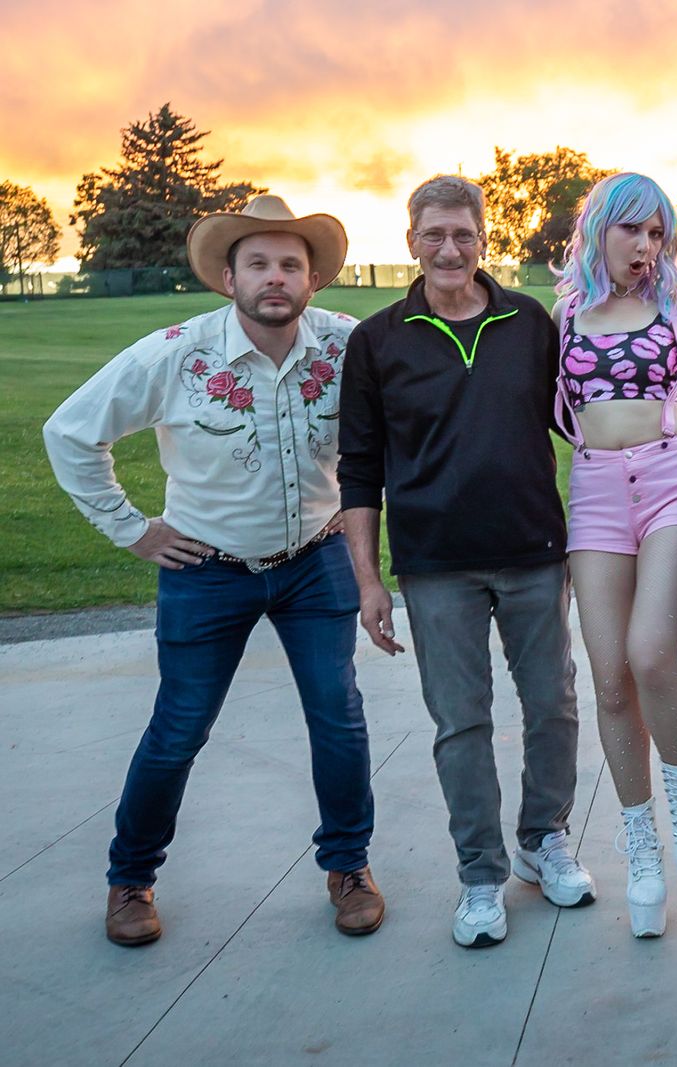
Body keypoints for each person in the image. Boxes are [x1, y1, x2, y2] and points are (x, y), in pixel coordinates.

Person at [43, 195, 384, 945]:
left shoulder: (349, 346)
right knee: (179, 727)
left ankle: (348, 866)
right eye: (257, 264)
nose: (275, 277)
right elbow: (70, 432)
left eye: (290, 264)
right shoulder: (174, 354)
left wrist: (362, 512)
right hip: (207, 568)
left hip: (315, 559)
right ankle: (131, 878)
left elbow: (408, 423)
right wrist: (133, 530)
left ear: (313, 279)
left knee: (338, 714)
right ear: (229, 279)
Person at [340, 176, 612, 948]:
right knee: (461, 722)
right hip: (435, 565)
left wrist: (670, 437)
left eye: (463, 234)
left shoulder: (529, 322)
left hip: (533, 552)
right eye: (434, 234)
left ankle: (544, 837)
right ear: (411, 242)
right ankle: (481, 874)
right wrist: (369, 581)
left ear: (484, 239)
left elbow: (586, 417)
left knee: (553, 704)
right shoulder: (378, 340)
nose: (450, 248)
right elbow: (358, 468)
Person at [552, 172, 677, 938]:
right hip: (595, 493)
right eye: (633, 229)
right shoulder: (563, 315)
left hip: (669, 482)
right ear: (600, 229)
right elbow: (542, 415)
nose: (646, 246)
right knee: (609, 677)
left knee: (651, 652)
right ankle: (641, 844)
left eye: (658, 233)